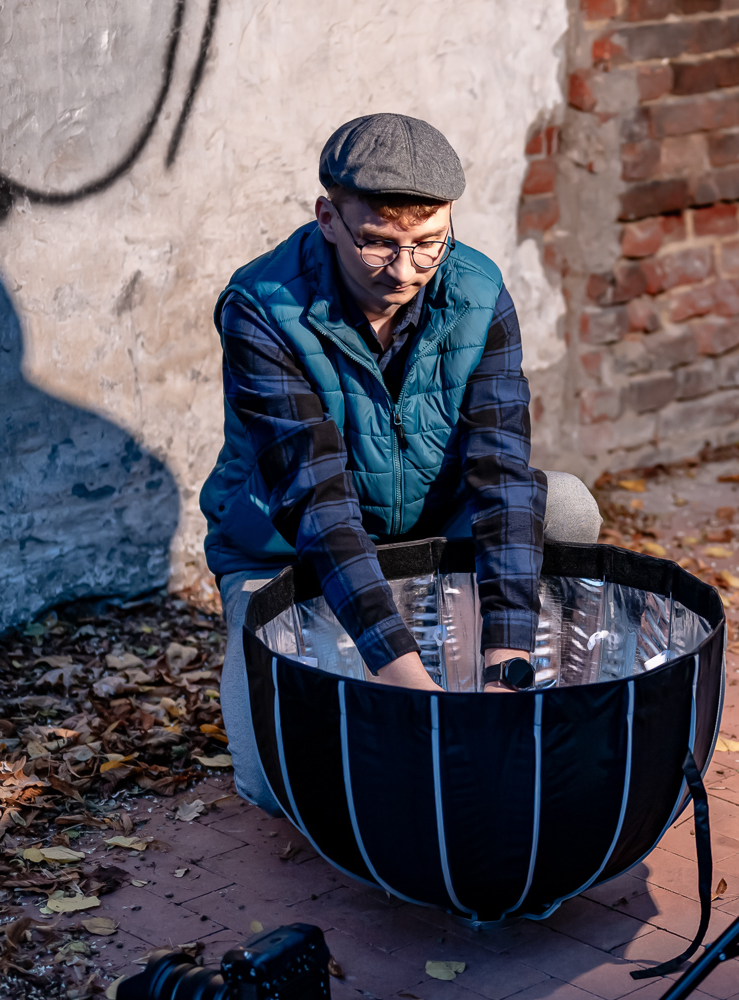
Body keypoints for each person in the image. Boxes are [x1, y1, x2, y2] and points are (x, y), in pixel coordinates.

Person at [200, 114, 600, 815]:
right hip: (285, 545)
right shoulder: (261, 309)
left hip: (430, 517)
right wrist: (411, 684)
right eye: (379, 244)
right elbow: (319, 502)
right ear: (328, 217)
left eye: (428, 245)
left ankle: (540, 679)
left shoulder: (477, 293)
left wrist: (507, 668)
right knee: (271, 790)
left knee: (563, 505)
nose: (407, 271)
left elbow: (502, 473)